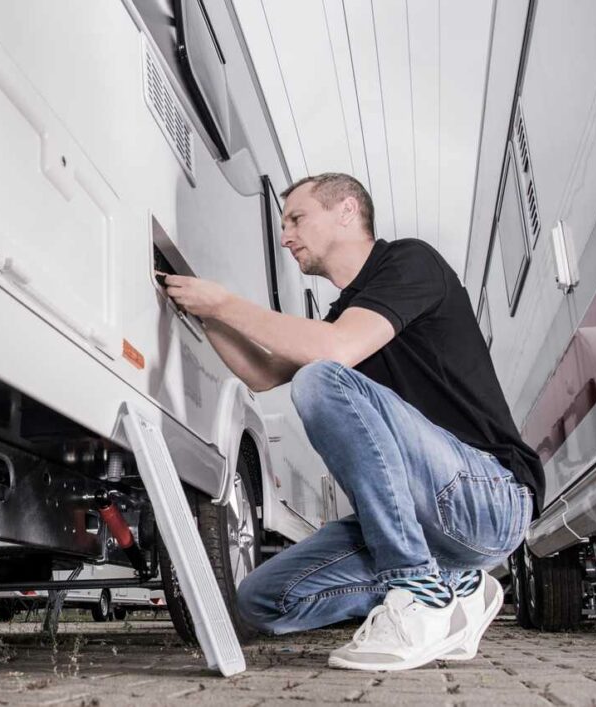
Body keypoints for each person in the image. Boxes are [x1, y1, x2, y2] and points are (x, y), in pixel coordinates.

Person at [162, 172, 543, 671]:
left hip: (490, 497)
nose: (285, 236)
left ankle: (418, 592)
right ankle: (461, 586)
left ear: (346, 210)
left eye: (296, 218)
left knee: (320, 378)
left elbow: (333, 352)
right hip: (432, 524)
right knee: (261, 599)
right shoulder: (345, 313)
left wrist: (227, 302)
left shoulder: (410, 262)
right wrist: (208, 314)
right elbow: (260, 372)